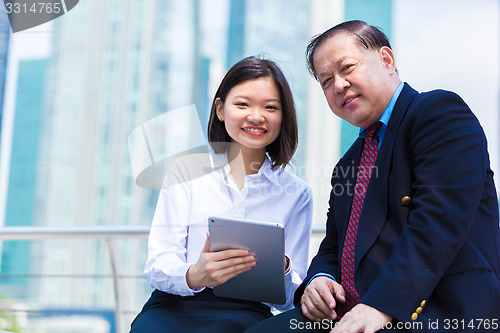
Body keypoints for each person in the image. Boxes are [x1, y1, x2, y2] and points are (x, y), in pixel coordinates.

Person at [246, 20, 500, 333]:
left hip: (438, 307)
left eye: (347, 67)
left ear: (386, 60)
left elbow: (437, 222)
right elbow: (334, 244)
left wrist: (381, 305)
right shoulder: (348, 163)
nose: (338, 85)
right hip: (351, 311)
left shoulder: (437, 112)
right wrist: (319, 279)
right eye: (326, 81)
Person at [130, 56, 313, 333]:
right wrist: (194, 274)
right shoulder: (186, 171)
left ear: (283, 117)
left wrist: (283, 268)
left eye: (270, 107)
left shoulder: (297, 194)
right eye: (242, 104)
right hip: (174, 304)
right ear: (220, 109)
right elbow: (158, 264)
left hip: (246, 313)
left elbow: (291, 302)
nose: (256, 116)